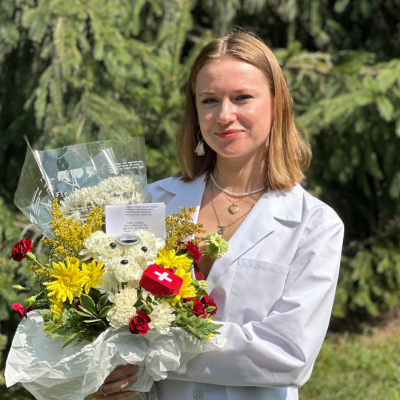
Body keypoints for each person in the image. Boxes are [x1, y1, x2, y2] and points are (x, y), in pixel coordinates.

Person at [91, 30, 344, 400]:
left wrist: (154, 350)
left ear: (277, 104)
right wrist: (103, 374)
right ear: (195, 111)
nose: (225, 115)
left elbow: (289, 354)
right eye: (209, 100)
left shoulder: (314, 224)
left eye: (242, 97)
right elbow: (106, 311)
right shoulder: (149, 202)